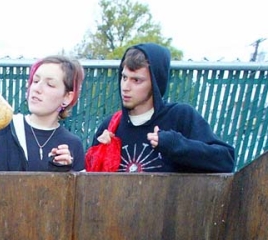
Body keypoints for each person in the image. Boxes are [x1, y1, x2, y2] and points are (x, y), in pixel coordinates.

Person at [86, 44, 235, 173]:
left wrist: (177, 145)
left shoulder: (180, 117)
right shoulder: (111, 126)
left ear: (155, 83)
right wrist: (99, 153)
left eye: (136, 80)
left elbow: (226, 160)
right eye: (124, 78)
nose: (125, 87)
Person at [0, 55, 86, 172]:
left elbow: (77, 195)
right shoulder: (3, 129)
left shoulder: (73, 144)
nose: (37, 88)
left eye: (50, 84)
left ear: (67, 97)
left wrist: (64, 174)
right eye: (35, 81)